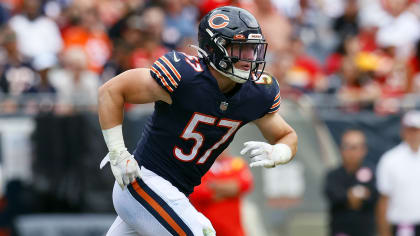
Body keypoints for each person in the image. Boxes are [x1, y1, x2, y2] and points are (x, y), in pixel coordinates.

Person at [98, 6, 298, 236]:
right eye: (239, 48)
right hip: (143, 181)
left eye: (252, 50)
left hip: (175, 192)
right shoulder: (186, 77)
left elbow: (287, 135)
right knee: (201, 232)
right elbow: (111, 91)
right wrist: (117, 152)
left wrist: (280, 152)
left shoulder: (256, 93)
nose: (249, 59)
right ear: (214, 49)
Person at [324, 129, 378, 236]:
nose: (350, 152)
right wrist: (352, 197)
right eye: (346, 147)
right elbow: (334, 195)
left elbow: (374, 197)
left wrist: (350, 197)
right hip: (340, 230)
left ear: (364, 150)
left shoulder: (372, 174)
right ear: (340, 149)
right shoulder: (333, 175)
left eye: (354, 147)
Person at [376, 110, 420, 236]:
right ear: (403, 131)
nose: (415, 134)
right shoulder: (390, 159)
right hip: (403, 226)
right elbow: (384, 199)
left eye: (417, 130)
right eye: (411, 129)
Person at [189, 152, 253, 236]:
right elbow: (195, 192)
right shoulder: (198, 166)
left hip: (233, 231)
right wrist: (229, 192)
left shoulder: (236, 163)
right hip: (205, 231)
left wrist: (213, 186)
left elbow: (245, 184)